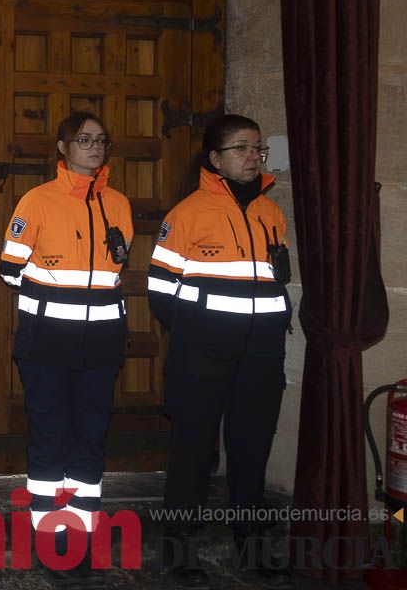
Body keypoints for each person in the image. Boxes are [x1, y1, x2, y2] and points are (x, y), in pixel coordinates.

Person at [147, 115, 293, 589]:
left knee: (251, 451)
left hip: (261, 354)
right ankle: (179, 547)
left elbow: (277, 280)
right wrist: (203, 333)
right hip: (202, 356)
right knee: (192, 453)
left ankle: (251, 543)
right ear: (215, 159)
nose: (253, 157)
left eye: (257, 149)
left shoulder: (271, 214)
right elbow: (160, 292)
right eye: (241, 148)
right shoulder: (186, 214)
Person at [0, 112, 132, 579]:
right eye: (83, 140)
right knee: (51, 437)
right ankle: (51, 540)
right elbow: (9, 270)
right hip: (47, 344)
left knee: (91, 438)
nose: (94, 147)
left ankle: (82, 535)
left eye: (101, 140)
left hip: (102, 344)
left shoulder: (119, 203)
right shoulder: (36, 201)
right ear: (62, 148)